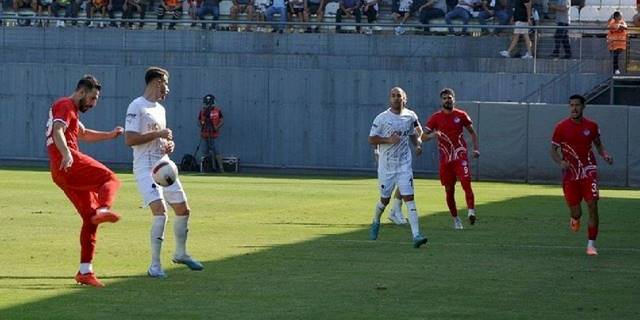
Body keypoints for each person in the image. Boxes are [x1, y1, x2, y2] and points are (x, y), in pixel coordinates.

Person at [125, 67, 204, 278]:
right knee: (160, 214)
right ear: (157, 82)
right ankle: (155, 266)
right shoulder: (137, 106)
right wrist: (158, 133)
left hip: (164, 164)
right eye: (166, 84)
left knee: (183, 210)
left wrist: (169, 144)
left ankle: (180, 253)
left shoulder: (160, 109)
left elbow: (162, 139)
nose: (167, 89)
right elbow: (130, 139)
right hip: (145, 168)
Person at [46, 75, 123, 288]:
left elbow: (84, 134)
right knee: (110, 178)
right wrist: (67, 154)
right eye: (92, 97)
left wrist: (109, 135)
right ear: (81, 92)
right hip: (68, 162)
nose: (93, 103)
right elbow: (58, 130)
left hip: (60, 172)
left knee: (90, 219)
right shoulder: (65, 104)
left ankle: (85, 271)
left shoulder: (70, 110)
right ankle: (104, 208)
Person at [550, 95, 613, 256]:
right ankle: (575, 219)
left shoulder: (592, 126)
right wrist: (560, 162)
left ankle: (591, 245)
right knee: (576, 212)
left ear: (583, 107)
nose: (574, 108)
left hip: (589, 171)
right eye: (571, 105)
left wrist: (605, 154)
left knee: (593, 205)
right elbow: (553, 150)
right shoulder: (561, 127)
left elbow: (598, 145)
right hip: (570, 174)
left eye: (577, 105)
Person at [368, 87, 428, 248]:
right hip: (386, 166)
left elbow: (414, 134)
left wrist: (417, 145)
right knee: (384, 200)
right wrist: (388, 140)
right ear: (390, 99)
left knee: (409, 198)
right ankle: (375, 221)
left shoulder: (410, 116)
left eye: (399, 96)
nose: (396, 98)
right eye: (393, 96)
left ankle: (416, 235)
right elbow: (371, 139)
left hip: (404, 165)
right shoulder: (382, 118)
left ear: (404, 99)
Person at [421, 88, 479, 230]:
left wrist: (476, 149)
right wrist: (433, 134)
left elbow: (472, 132)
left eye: (450, 97)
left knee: (466, 182)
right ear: (442, 101)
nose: (448, 100)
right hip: (445, 160)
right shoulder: (435, 117)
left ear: (454, 99)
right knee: (449, 190)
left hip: (460, 156)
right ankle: (456, 219)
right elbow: (422, 137)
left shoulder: (461, 115)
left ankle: (471, 212)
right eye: (445, 98)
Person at [198, 94, 225, 173]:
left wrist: (216, 127)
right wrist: (203, 125)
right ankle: (203, 168)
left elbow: (222, 121)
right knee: (204, 151)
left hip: (214, 134)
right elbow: (199, 122)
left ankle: (221, 169)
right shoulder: (202, 112)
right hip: (204, 134)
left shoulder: (217, 110)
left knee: (216, 151)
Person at [607, 11, 628, 75]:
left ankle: (616, 70)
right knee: (614, 57)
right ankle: (615, 71)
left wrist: (620, 26)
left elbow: (625, 27)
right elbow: (612, 27)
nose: (621, 17)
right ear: (616, 17)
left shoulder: (622, 22)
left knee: (615, 56)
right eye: (620, 16)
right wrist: (618, 26)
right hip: (612, 44)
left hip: (620, 44)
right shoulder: (612, 22)